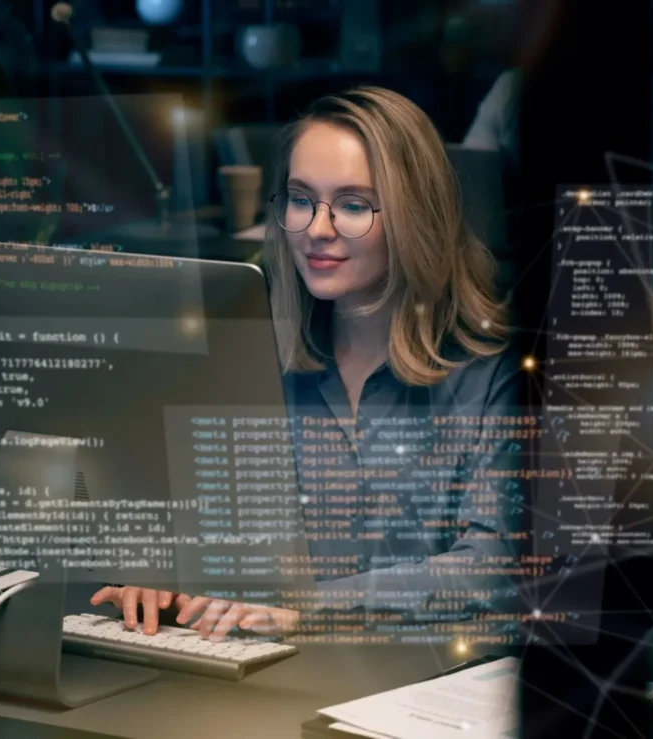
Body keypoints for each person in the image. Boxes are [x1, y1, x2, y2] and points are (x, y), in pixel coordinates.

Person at [92, 86, 526, 641]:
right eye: (301, 200)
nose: (317, 229)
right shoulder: (250, 357)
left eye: (353, 205)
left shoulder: (495, 374)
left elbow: (491, 567)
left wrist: (305, 606)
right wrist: (158, 573)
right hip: (258, 667)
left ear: (418, 217)